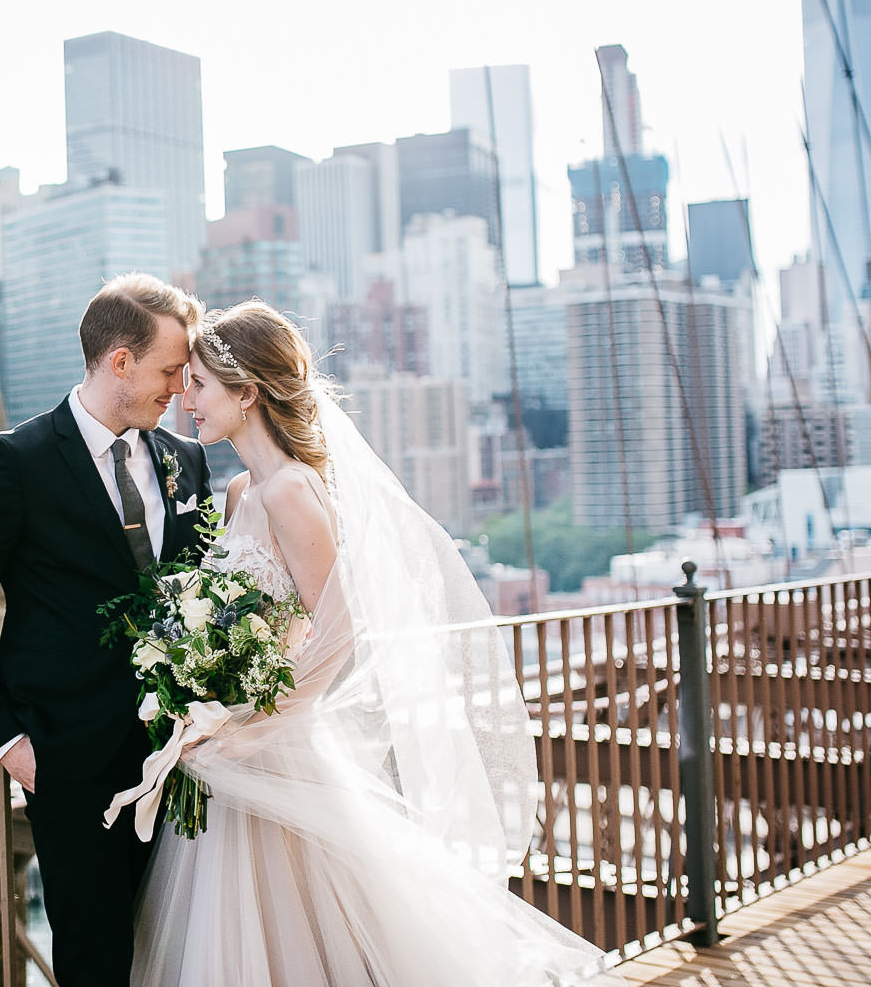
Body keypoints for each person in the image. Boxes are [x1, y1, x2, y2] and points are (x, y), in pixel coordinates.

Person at [131, 299, 610, 986]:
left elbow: (340, 625)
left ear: (247, 392)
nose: (187, 401)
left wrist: (257, 726)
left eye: (199, 385)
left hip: (275, 746)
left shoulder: (293, 491)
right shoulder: (240, 492)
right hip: (228, 748)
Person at [0, 274, 213, 987]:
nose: (179, 388)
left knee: (184, 949)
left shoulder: (186, 458)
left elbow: (202, 593)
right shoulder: (13, 462)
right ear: (120, 361)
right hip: (70, 764)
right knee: (95, 958)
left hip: (185, 757)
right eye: (170, 371)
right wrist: (9, 744)